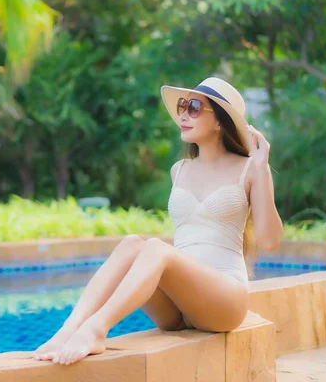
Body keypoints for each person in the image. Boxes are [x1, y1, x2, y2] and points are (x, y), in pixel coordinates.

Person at [32, 77, 284, 365]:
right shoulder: (180, 170)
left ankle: (96, 329)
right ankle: (69, 329)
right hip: (179, 309)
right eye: (182, 106)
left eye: (194, 107)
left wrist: (263, 168)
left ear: (219, 122)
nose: (184, 115)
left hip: (224, 301)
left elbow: (269, 241)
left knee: (156, 248)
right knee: (131, 244)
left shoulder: (250, 169)